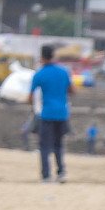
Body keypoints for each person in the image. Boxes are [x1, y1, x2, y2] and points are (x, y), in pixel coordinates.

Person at [30, 45, 72, 182]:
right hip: (62, 113)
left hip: (47, 114)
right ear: (53, 56)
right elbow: (72, 90)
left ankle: (46, 176)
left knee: (44, 146)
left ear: (42, 57)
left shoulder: (39, 74)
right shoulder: (64, 72)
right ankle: (61, 173)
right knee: (58, 144)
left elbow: (30, 96)